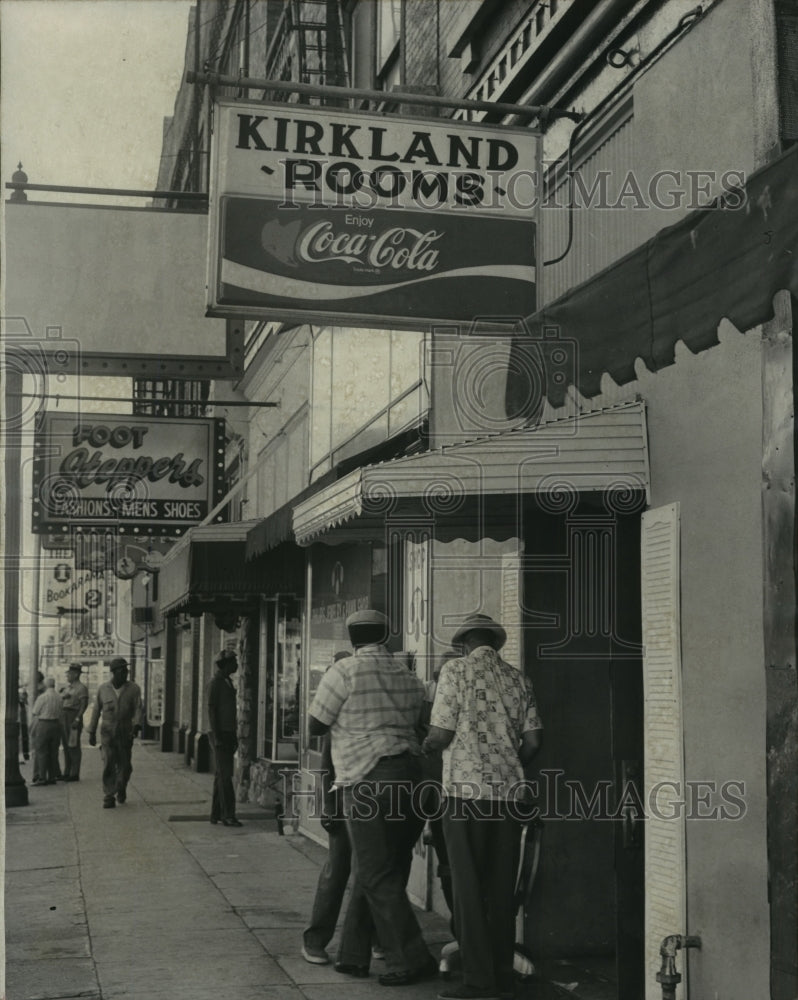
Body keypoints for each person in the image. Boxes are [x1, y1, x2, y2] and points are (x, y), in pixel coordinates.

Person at [309, 609, 436, 987]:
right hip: (412, 776)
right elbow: (421, 723)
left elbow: (316, 725)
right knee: (382, 868)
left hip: (366, 780)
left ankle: (410, 959)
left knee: (376, 874)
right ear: (385, 636)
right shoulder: (408, 676)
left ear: (351, 639)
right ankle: (352, 955)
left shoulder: (343, 671)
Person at [424, 613, 543, 1000]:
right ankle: (502, 974)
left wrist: (425, 745)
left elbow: (441, 733)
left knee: (468, 888)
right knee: (500, 886)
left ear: (463, 643)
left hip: (464, 796)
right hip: (509, 798)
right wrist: (508, 766)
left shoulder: (455, 671)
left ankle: (478, 981)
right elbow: (534, 742)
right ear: (496, 644)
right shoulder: (518, 679)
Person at [302, 651, 352, 966]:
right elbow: (327, 769)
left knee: (370, 874)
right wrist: (329, 808)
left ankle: (374, 937)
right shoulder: (334, 726)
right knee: (337, 870)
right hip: (342, 802)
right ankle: (316, 940)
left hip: (362, 799)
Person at [87, 658, 142, 809]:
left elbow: (138, 708)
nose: (125, 673)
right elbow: (96, 711)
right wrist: (91, 732)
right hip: (107, 732)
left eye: (126, 670)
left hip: (125, 731)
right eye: (122, 670)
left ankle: (121, 786)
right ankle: (109, 795)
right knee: (109, 763)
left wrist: (136, 725)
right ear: (114, 672)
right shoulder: (103, 689)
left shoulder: (134, 689)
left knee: (125, 766)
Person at [207, 648, 242, 827]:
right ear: (226, 664)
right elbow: (212, 710)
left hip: (228, 734)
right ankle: (228, 815)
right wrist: (217, 735)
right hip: (220, 734)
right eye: (234, 662)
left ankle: (216, 814)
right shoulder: (216, 683)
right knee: (225, 776)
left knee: (221, 775)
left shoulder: (227, 681)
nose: (237, 665)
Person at [60, 662, 89, 781]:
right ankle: (67, 771)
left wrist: (78, 718)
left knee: (73, 745)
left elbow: (84, 705)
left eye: (69, 674)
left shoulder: (81, 688)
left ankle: (74, 773)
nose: (67, 676)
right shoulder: (68, 687)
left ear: (76, 674)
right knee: (66, 745)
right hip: (65, 715)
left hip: (73, 715)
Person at [30, 677, 63, 785]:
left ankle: (41, 777)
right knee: (53, 752)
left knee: (41, 751)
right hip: (56, 725)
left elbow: (35, 712)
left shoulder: (42, 697)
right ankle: (52, 777)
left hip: (44, 724)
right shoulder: (59, 697)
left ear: (45, 685)